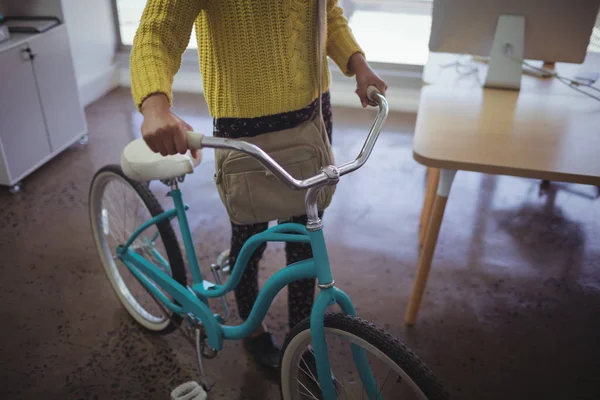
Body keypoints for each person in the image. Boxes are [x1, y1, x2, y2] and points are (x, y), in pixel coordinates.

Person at [130, 0, 387, 372]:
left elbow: (327, 12)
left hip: (313, 115)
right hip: (245, 125)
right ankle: (253, 330)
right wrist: (154, 104)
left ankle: (301, 333)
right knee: (249, 238)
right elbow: (159, 28)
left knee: (305, 233)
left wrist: (358, 64)